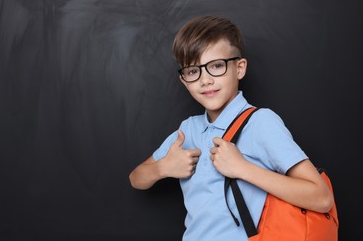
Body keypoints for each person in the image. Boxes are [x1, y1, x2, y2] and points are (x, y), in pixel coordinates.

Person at [129, 15, 333, 241]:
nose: (205, 80)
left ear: (240, 68)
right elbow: (136, 178)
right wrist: (163, 168)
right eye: (193, 71)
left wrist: (242, 168)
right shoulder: (188, 129)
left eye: (216, 66)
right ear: (184, 80)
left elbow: (321, 198)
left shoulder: (260, 122)